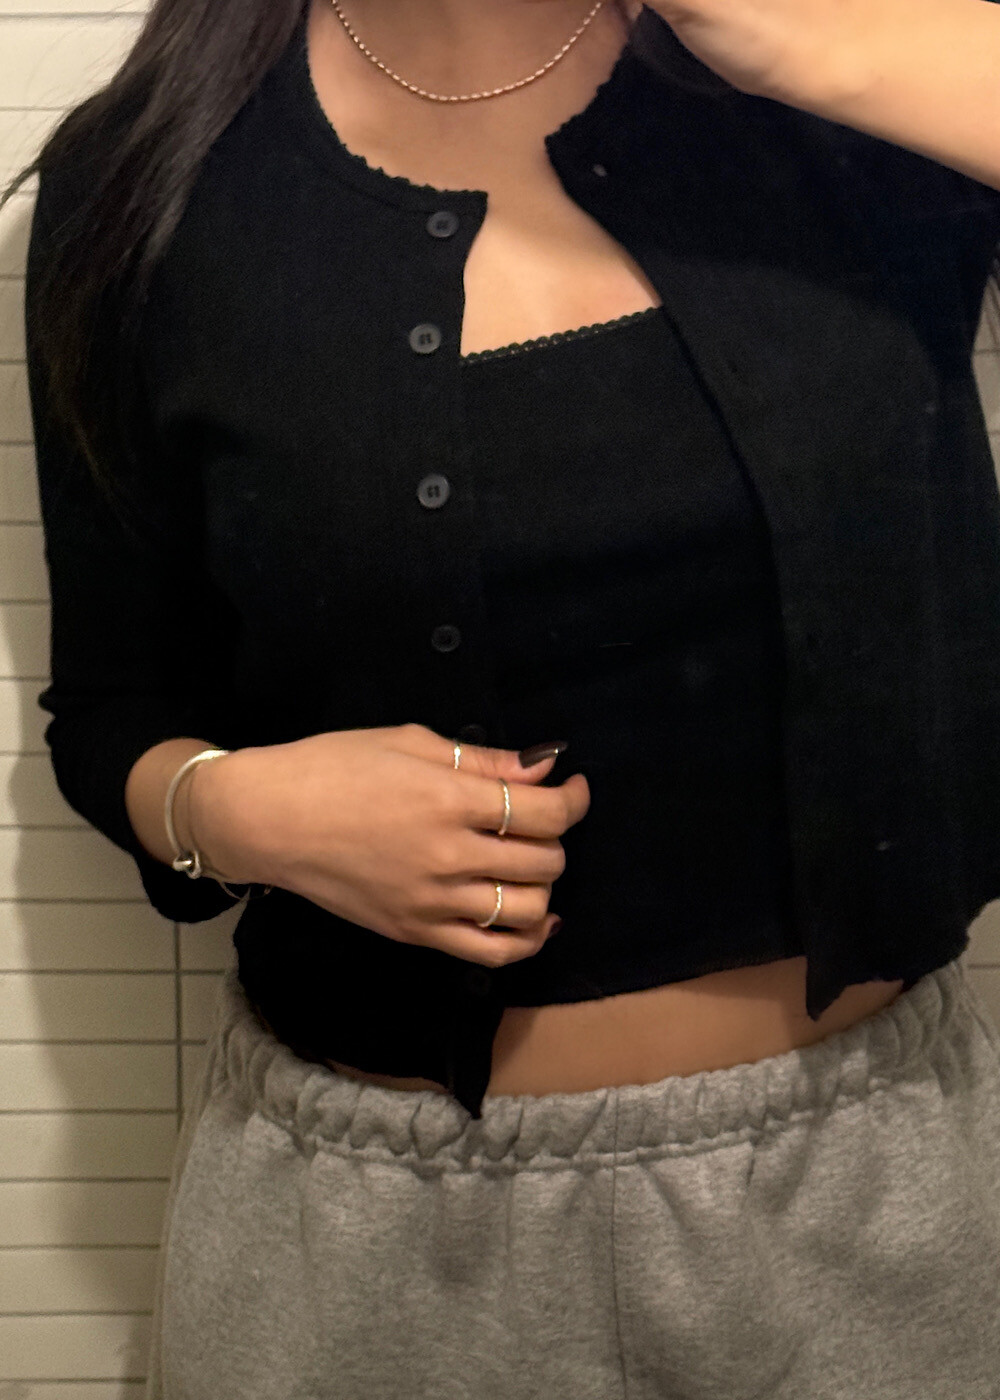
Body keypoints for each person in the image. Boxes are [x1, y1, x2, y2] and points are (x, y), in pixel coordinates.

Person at [7, 0, 1000, 1394]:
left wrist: (817, 49)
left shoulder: (854, 85)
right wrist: (238, 811)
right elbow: (112, 706)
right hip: (358, 1240)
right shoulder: (146, 174)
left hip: (861, 1209)